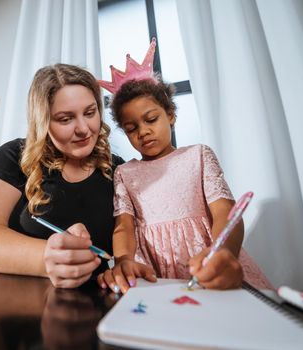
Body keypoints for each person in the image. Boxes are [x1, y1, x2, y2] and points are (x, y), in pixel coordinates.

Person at [97, 39, 273, 293]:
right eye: (132, 128)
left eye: (151, 119)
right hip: (157, 276)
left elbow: (225, 211)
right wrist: (124, 261)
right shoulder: (125, 173)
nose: (143, 132)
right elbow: (124, 226)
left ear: (170, 115)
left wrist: (222, 253)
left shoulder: (198, 156)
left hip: (210, 264)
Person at [0, 63, 125, 288]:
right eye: (65, 119)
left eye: (90, 113)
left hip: (90, 306)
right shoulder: (14, 156)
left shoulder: (118, 168)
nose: (83, 128)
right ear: (43, 121)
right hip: (8, 301)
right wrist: (44, 258)